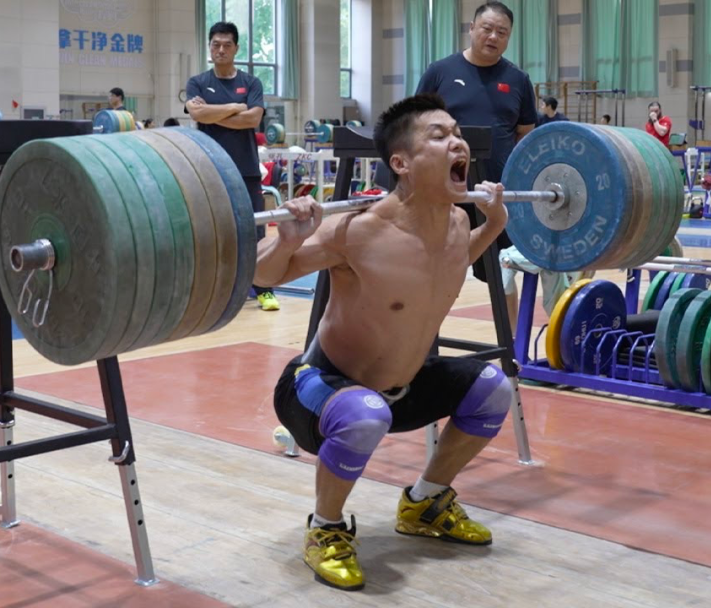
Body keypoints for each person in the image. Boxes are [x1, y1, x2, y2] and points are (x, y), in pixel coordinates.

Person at [262, 94, 513, 591]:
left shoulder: (459, 222)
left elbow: (453, 262)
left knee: (493, 386)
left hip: (400, 391)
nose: (457, 141)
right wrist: (288, 238)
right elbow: (260, 274)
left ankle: (425, 503)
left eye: (456, 133)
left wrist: (496, 225)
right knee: (364, 413)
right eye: (438, 136)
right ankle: (325, 529)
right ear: (400, 163)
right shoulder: (358, 229)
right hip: (316, 392)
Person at [413, 1, 537, 323]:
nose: (493, 36)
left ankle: (512, 349)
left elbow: (525, 134)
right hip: (444, 192)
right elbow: (416, 125)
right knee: (434, 268)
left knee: (503, 271)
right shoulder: (440, 72)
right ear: (471, 28)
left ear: (509, 38)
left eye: (502, 32)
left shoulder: (518, 79)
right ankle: (418, 342)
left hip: (494, 193)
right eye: (487, 28)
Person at [186, 21, 279, 311]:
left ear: (236, 48)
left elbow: (252, 120)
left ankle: (263, 288)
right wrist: (235, 107)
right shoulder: (198, 82)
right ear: (209, 48)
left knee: (255, 229)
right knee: (211, 230)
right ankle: (215, 292)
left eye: (227, 44)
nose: (221, 49)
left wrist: (211, 115)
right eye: (216, 44)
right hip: (209, 169)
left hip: (246, 168)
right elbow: (194, 112)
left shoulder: (252, 83)